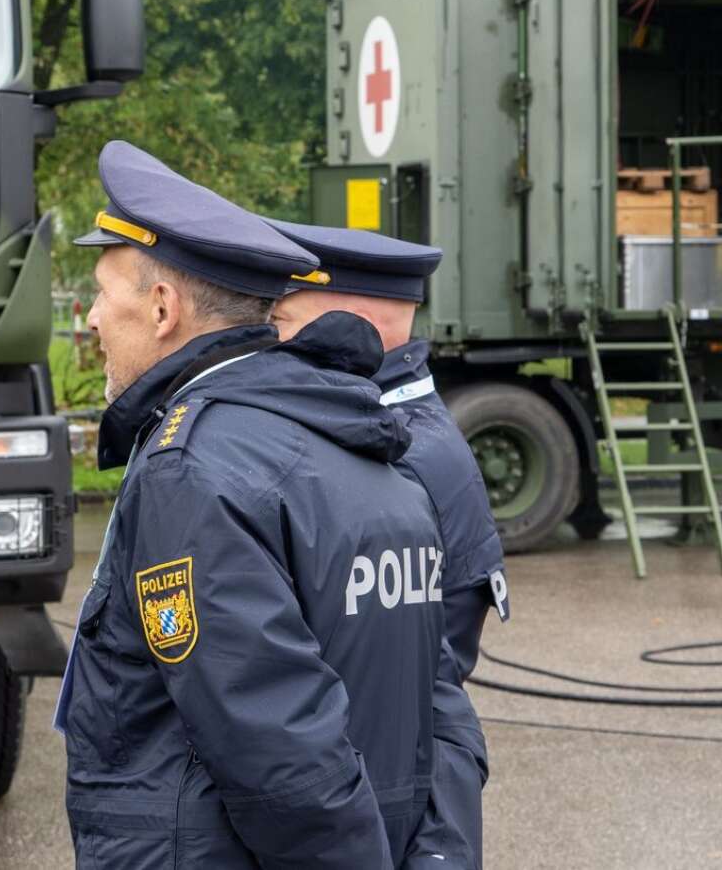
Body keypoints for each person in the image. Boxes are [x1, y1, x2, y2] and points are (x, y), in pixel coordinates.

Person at [57, 141, 462, 869]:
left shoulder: (192, 469)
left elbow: (277, 748)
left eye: (101, 295)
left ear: (160, 308)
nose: (89, 319)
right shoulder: (357, 441)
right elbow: (444, 715)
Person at [267, 220, 507, 866]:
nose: (271, 334)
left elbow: (423, 688)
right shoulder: (398, 424)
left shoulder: (401, 450)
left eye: (283, 316)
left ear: (350, 321)